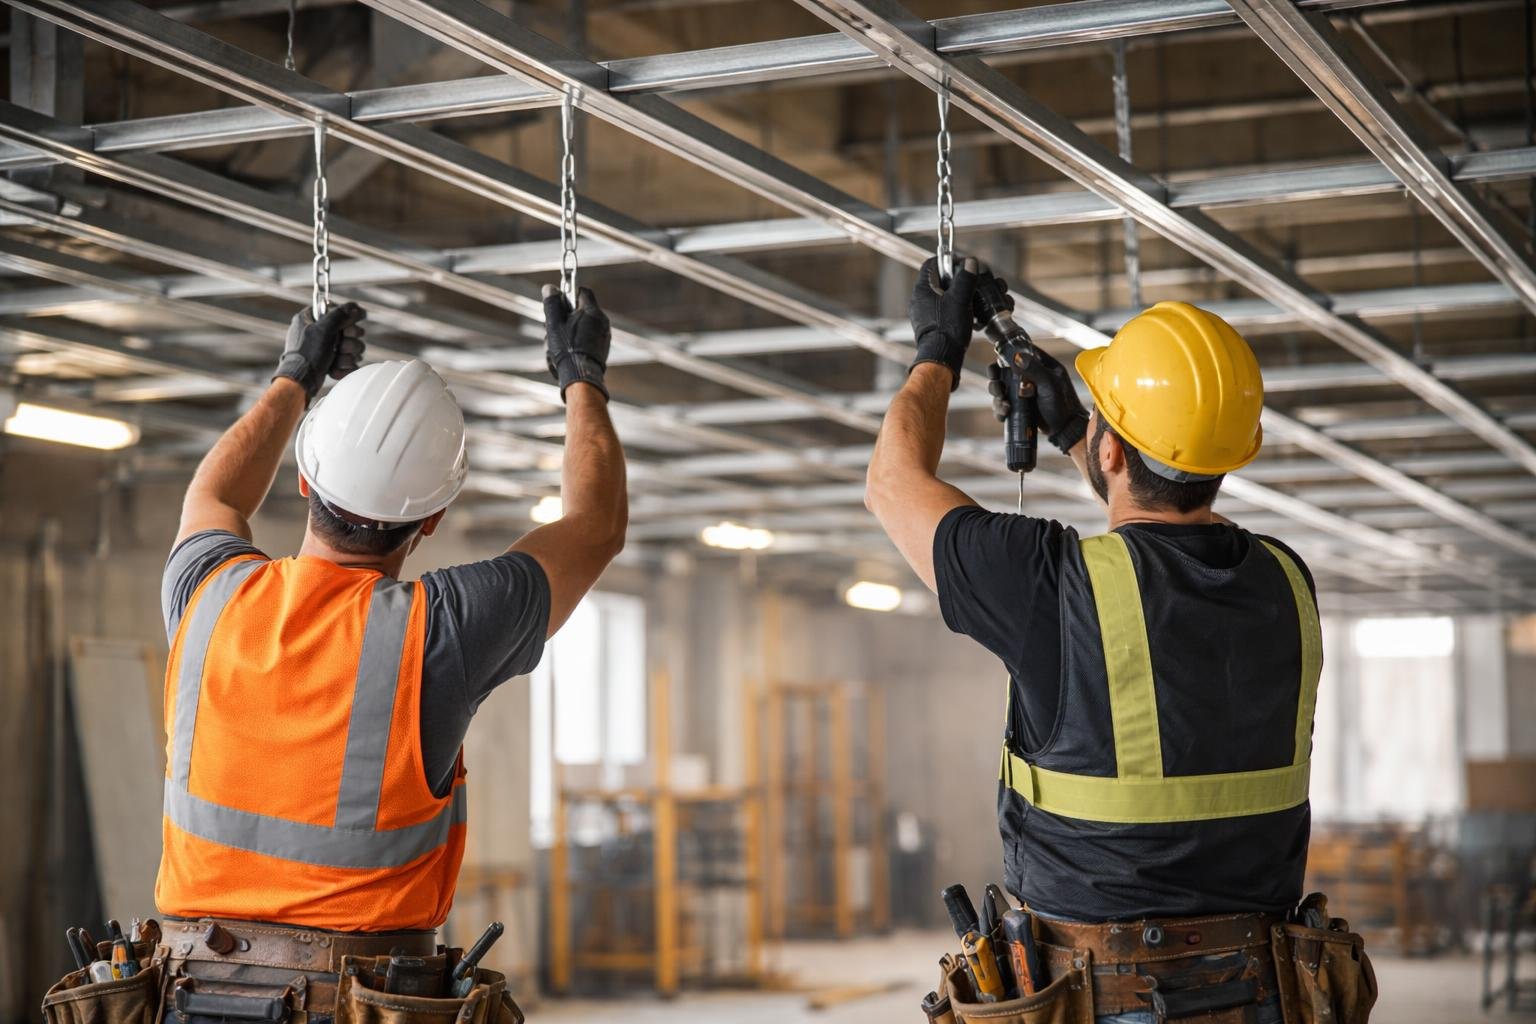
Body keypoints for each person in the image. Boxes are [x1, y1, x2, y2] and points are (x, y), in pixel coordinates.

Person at [865, 258, 1367, 1024]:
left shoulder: (1051, 586)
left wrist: (937, 351)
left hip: (1110, 999)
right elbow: (1163, 533)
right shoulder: (1283, 582)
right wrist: (1078, 431)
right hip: (1269, 991)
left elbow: (891, 483)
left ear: (1113, 454)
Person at [152, 284, 623, 1013]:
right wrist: (580, 376)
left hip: (187, 991)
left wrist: (294, 377)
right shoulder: (442, 632)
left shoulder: (206, 595)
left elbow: (213, 498)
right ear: (432, 519)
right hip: (353, 1001)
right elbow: (594, 527)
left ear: (303, 478)